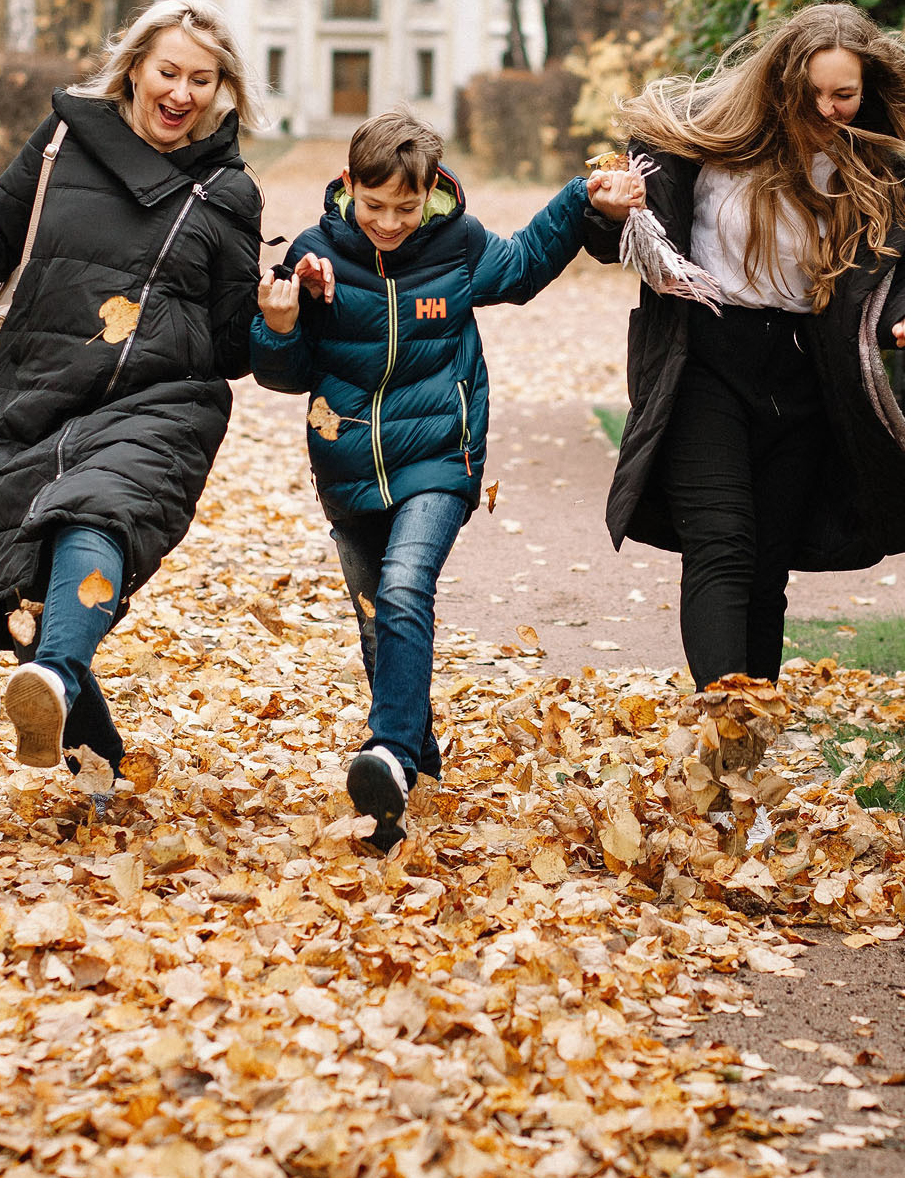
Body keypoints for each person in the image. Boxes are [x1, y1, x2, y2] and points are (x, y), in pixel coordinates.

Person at [582, 2, 905, 691]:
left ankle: (755, 725)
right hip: (703, 362)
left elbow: (900, 265)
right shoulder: (705, 140)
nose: (828, 109)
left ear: (867, 90)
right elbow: (621, 235)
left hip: (804, 374)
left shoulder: (868, 166)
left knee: (767, 565)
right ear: (780, 83)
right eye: (811, 94)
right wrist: (604, 209)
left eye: (844, 94)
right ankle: (729, 726)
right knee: (721, 545)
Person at [253, 110, 643, 850]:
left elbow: (524, 267)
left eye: (406, 208)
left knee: (405, 587)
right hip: (349, 469)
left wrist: (578, 198)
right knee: (379, 620)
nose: (390, 223)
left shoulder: (457, 245)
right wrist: (278, 322)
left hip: (441, 458)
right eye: (375, 208)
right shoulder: (315, 254)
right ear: (348, 188)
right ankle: (413, 763)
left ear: (431, 192)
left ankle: (390, 753)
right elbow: (287, 373)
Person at [0, 0, 263, 797]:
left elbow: (237, 342)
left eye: (200, 80)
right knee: (8, 582)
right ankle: (91, 749)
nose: (180, 93)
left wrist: (284, 316)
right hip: (35, 382)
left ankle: (61, 677)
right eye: (167, 71)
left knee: (97, 514)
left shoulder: (228, 192)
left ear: (222, 91)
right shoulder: (68, 136)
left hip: (162, 400)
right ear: (135, 66)